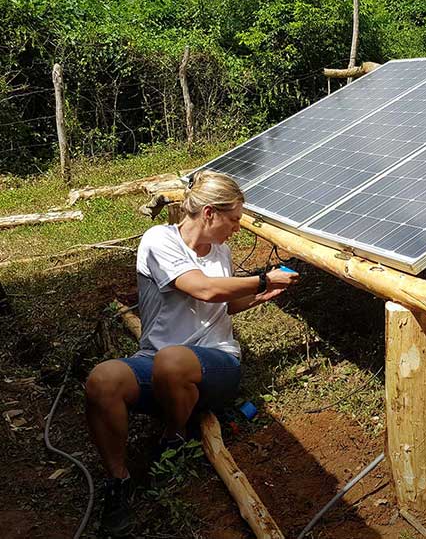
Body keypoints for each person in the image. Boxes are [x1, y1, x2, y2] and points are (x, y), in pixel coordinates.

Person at [84, 170, 299, 536]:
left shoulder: (222, 251)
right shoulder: (159, 240)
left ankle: (173, 434)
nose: (237, 228)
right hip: (156, 361)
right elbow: (201, 289)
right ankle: (118, 480)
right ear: (210, 214)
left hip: (217, 363)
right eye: (233, 220)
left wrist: (256, 296)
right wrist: (263, 278)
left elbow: (224, 303)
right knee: (101, 380)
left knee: (173, 361)